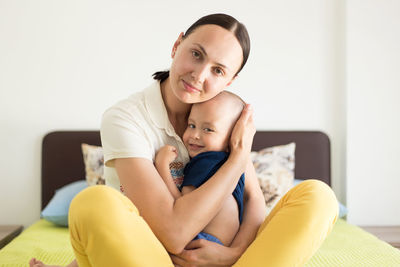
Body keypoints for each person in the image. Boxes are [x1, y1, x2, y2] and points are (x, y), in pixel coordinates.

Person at [30, 13, 338, 267]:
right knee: (92, 202)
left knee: (319, 197)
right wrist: (238, 156)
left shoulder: (222, 118)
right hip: (153, 257)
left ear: (229, 80)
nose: (199, 76)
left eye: (217, 70)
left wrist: (233, 255)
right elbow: (174, 234)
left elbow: (254, 199)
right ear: (177, 44)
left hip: (225, 257)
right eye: (196, 54)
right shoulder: (125, 117)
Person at [155, 91, 246, 247]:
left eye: (208, 129)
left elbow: (181, 208)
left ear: (232, 136)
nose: (195, 135)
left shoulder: (206, 162)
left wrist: (162, 165)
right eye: (191, 125)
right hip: (224, 246)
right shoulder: (233, 164)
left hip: (201, 241)